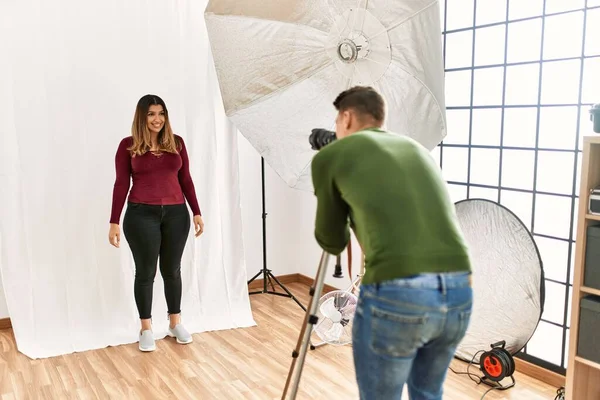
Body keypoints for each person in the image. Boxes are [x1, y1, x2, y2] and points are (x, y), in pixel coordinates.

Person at [310, 86, 473, 399]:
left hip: (399, 292)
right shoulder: (416, 150)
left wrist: (335, 195)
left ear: (345, 117)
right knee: (427, 393)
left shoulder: (333, 156)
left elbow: (332, 240)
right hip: (458, 291)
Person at [108, 94, 204, 352]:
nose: (157, 119)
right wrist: (114, 221)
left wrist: (196, 211)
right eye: (151, 114)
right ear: (142, 116)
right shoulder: (128, 146)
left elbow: (186, 180)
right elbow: (120, 184)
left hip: (176, 214)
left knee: (172, 270)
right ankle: (146, 328)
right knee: (146, 272)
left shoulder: (177, 143)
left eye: (161, 113)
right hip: (141, 215)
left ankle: (175, 323)